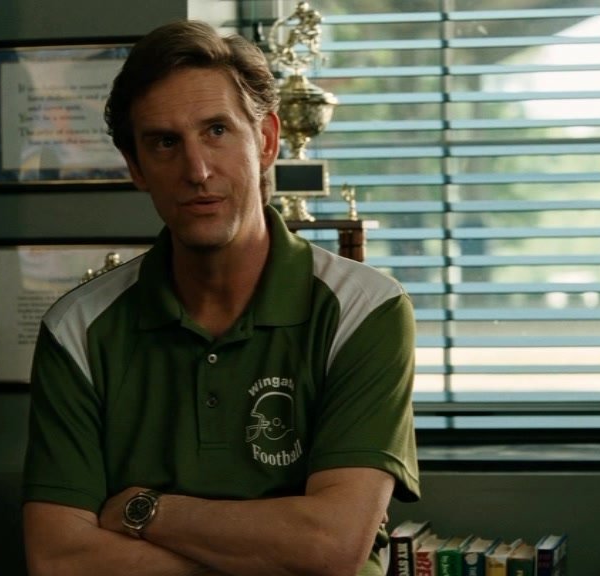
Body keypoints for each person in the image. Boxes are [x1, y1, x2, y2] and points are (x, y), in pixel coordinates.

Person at [21, 19, 419, 576]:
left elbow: (331, 547)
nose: (197, 170)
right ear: (135, 167)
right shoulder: (76, 329)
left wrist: (144, 510)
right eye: (165, 142)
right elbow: (58, 558)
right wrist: (271, 554)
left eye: (216, 131)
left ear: (267, 141)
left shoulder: (366, 309)